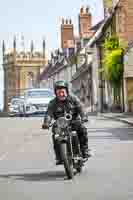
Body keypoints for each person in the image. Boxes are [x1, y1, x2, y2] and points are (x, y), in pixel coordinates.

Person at [42, 80, 91, 164]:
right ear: (55, 93)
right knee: (55, 135)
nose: (61, 94)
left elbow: (81, 107)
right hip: (60, 124)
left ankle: (84, 150)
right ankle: (59, 156)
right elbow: (49, 114)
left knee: (82, 129)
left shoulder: (73, 98)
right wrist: (46, 123)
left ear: (66, 91)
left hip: (74, 121)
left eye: (62, 92)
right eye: (59, 92)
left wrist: (84, 116)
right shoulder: (53, 103)